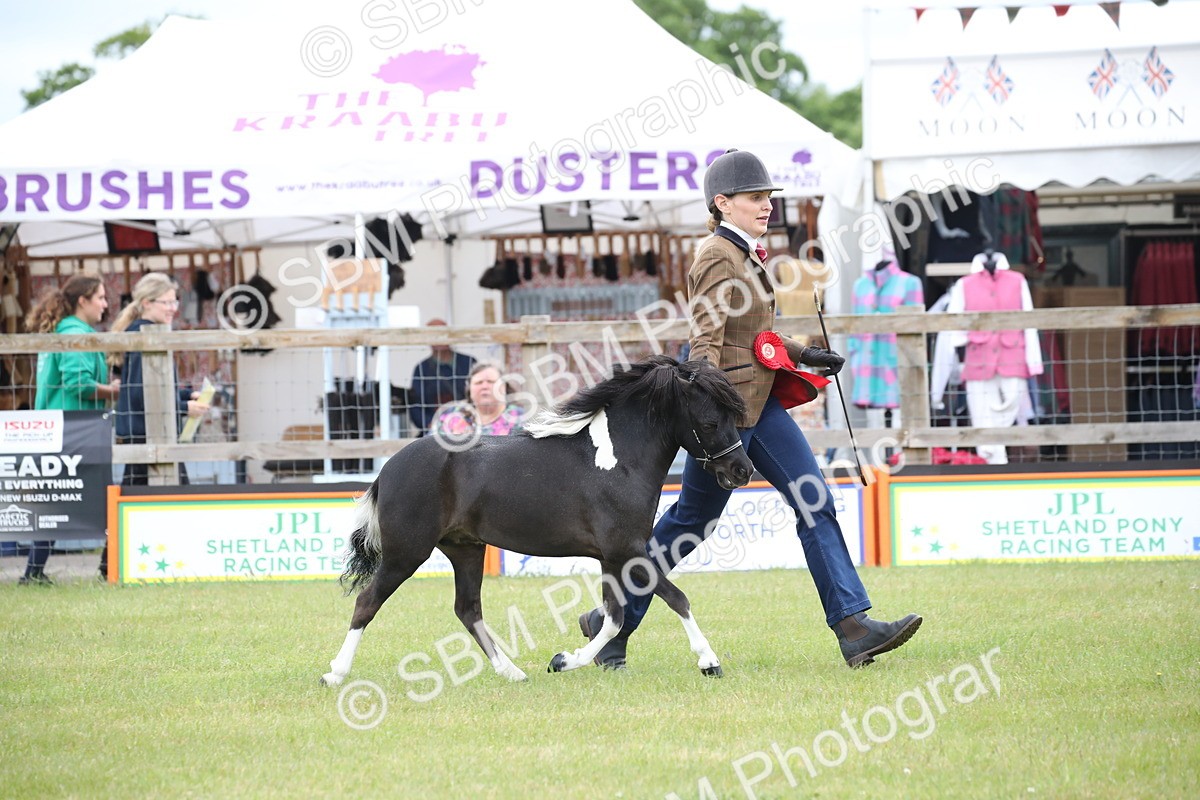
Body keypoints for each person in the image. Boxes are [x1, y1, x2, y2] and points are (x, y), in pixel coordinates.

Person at [579, 149, 923, 669]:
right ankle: (852, 626)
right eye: (755, 198)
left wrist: (805, 353)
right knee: (813, 501)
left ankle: (610, 622)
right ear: (723, 203)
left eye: (767, 198)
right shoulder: (718, 255)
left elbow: (752, 334)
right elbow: (707, 341)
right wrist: (708, 410)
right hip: (739, 412)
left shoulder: (742, 253)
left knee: (692, 520)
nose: (766, 206)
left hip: (748, 402)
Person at [103, 273, 209, 576]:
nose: (174, 307)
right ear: (147, 302)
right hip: (146, 434)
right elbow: (140, 395)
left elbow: (151, 388)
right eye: (167, 301)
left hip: (146, 432)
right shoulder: (144, 335)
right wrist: (183, 406)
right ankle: (110, 564)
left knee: (132, 501)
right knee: (164, 498)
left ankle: (108, 564)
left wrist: (186, 394)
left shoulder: (147, 331)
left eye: (176, 300)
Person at [17, 275, 120, 585]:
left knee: (55, 501)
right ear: (82, 301)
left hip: (56, 427)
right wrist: (112, 390)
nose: (105, 304)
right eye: (101, 297)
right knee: (103, 495)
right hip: (75, 429)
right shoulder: (76, 335)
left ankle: (34, 572)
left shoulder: (61, 333)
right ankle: (111, 566)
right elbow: (78, 384)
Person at [407, 318, 475, 435]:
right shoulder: (422, 369)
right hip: (435, 431)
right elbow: (415, 405)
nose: (439, 339)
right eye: (434, 335)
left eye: (442, 334)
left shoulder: (468, 362)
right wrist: (431, 424)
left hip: (468, 426)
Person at [431, 361, 525, 439]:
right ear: (469, 390)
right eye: (478, 383)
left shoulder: (519, 417)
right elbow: (431, 449)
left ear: (504, 387)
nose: (484, 386)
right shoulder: (451, 415)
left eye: (491, 382)